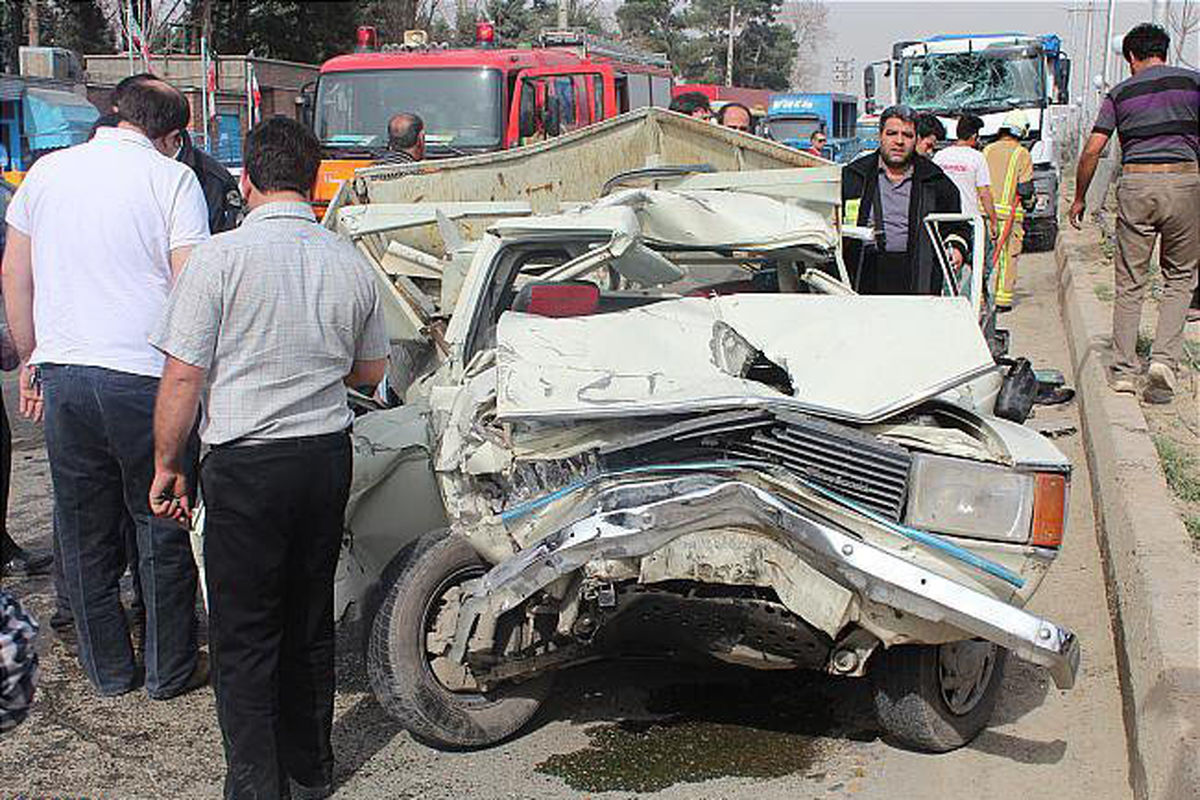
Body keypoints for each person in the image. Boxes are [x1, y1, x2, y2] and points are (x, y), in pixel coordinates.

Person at [150, 117, 388, 798]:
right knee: (307, 619)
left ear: (247, 179)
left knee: (245, 633)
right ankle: (311, 773)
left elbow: (183, 377)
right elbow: (369, 372)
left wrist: (168, 464)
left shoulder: (219, 260)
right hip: (322, 457)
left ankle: (256, 785)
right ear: (313, 183)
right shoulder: (349, 261)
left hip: (247, 462)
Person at [2, 76, 210, 699]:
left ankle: (110, 671)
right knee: (160, 521)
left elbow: (16, 271)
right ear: (171, 136)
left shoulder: (46, 173)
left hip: (66, 374)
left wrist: (32, 358)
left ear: (114, 112)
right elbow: (190, 286)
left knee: (84, 534)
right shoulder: (172, 179)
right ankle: (168, 669)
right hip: (147, 376)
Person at [1070, 22, 1199, 401]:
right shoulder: (1192, 83)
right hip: (1185, 182)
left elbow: (1093, 149)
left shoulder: (1120, 92)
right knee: (1179, 279)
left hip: (1137, 184)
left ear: (1130, 57)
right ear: (1166, 49)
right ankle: (1163, 362)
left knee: (1130, 282)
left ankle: (1124, 371)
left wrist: (1080, 198)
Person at [841, 105, 962, 295]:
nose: (899, 141)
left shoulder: (935, 181)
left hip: (917, 278)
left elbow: (957, 227)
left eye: (907, 135)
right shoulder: (854, 176)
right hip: (863, 278)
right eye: (892, 133)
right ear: (880, 136)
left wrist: (956, 249)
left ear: (916, 139)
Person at [984, 110, 1035, 311]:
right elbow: (1025, 189)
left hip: (984, 214)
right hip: (1009, 216)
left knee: (983, 256)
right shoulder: (1021, 153)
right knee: (1008, 257)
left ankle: (979, 296)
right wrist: (1030, 203)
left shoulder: (987, 150)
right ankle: (1002, 300)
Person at [933, 114, 1000, 241]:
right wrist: (993, 221)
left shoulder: (940, 156)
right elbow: (984, 193)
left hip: (942, 221)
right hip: (969, 221)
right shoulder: (977, 157)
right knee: (982, 259)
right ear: (974, 136)